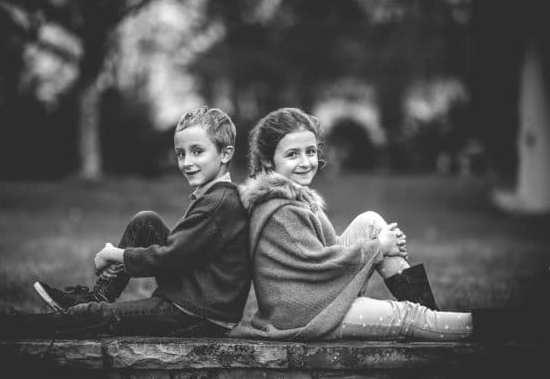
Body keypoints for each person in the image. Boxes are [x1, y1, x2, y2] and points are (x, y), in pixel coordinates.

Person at [228, 107, 547, 342]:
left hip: (309, 297)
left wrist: (376, 243)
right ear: (270, 160)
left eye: (310, 151)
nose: (306, 161)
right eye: (293, 154)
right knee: (405, 317)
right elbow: (314, 266)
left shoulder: (286, 197)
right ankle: (493, 326)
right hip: (306, 314)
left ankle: (431, 319)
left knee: (369, 221)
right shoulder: (281, 208)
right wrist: (378, 248)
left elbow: (317, 259)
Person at [31, 106, 252, 337]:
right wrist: (123, 257)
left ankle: (15, 326)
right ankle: (99, 295)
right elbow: (182, 253)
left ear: (225, 154)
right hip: (196, 294)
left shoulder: (218, 203)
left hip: (199, 315)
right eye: (180, 153)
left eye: (197, 151)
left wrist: (115, 254)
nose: (186, 162)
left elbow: (172, 256)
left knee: (100, 316)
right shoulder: (217, 196)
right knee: (146, 222)